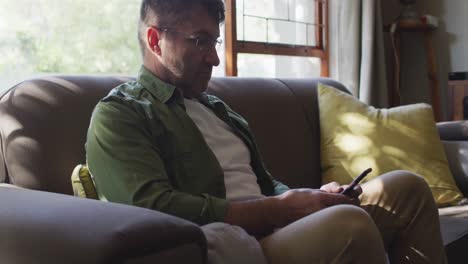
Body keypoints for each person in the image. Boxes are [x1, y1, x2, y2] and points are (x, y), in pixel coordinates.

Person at [85, 0, 447, 263]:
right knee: (348, 223)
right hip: (240, 245)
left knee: (407, 189)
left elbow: (263, 184)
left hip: (274, 227)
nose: (213, 58)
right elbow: (148, 207)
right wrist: (277, 210)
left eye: (215, 41)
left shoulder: (218, 110)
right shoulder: (121, 114)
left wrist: (311, 198)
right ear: (154, 40)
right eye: (200, 41)